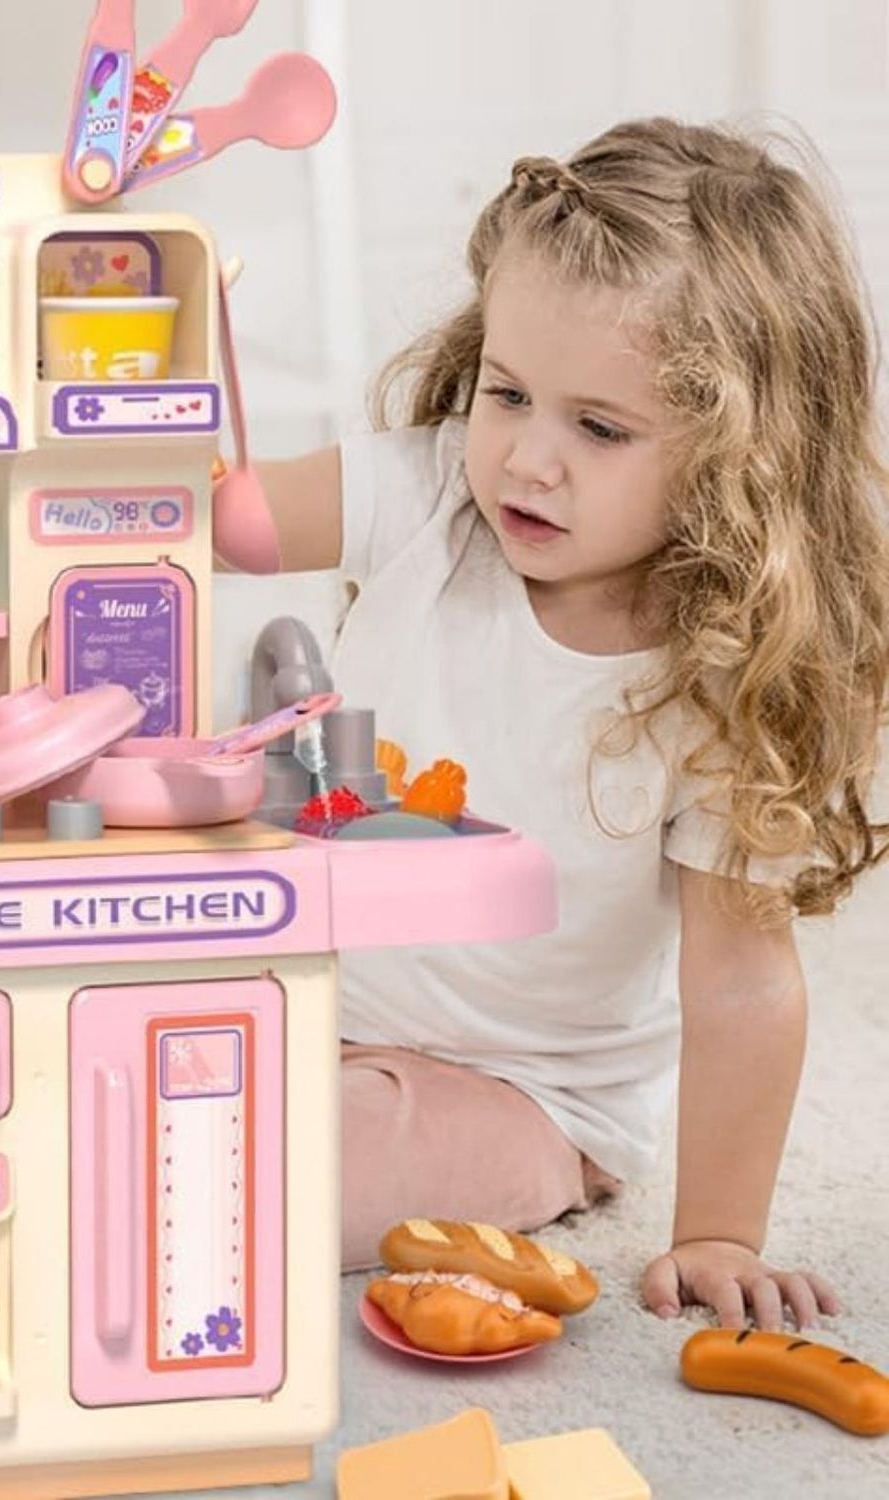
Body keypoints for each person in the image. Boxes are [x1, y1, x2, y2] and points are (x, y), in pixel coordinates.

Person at [255, 118, 889, 1330]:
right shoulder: (428, 489)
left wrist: (716, 1231)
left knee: (262, 1176)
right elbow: (220, 514)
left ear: (739, 462)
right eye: (508, 392)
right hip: (296, 992)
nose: (526, 460)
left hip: (520, 1093)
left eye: (598, 428)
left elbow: (744, 979)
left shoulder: (719, 677)